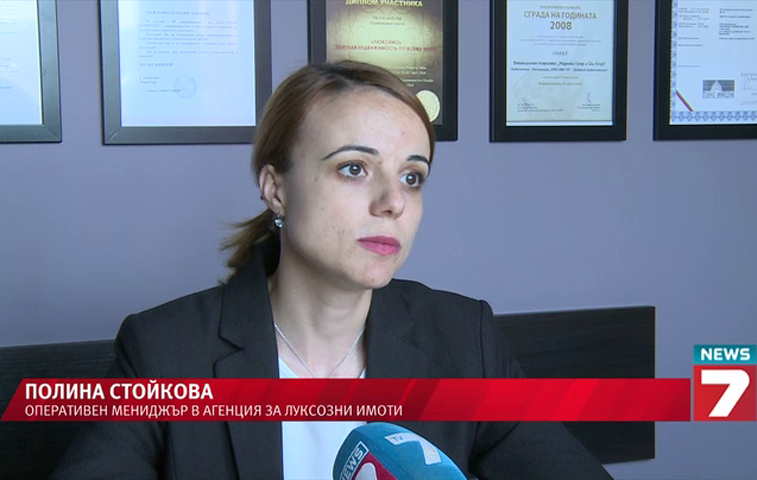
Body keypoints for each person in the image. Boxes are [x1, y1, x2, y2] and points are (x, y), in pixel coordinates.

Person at [51, 61, 611, 480]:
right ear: (276, 188)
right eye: (353, 168)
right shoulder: (163, 351)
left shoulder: (465, 338)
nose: (393, 202)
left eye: (412, 177)